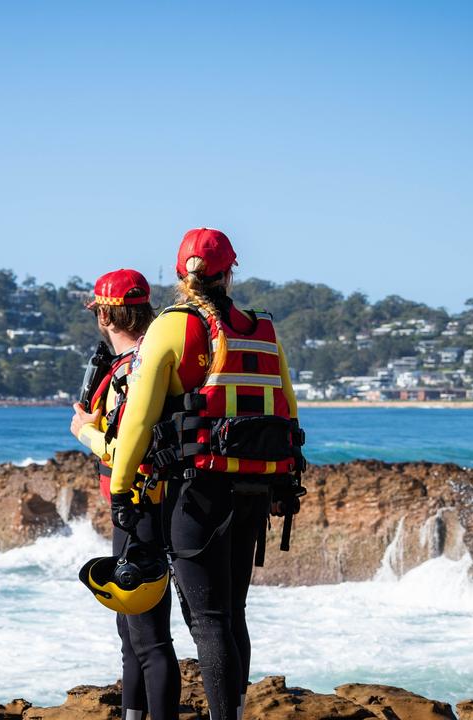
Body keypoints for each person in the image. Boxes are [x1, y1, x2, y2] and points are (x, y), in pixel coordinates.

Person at [108, 229, 304, 720]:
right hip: (254, 490)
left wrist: (120, 488)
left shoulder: (174, 326)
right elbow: (288, 413)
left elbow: (137, 418)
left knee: (208, 620)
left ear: (179, 273)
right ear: (230, 272)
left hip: (198, 493)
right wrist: (284, 484)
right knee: (231, 615)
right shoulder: (261, 328)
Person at [70, 269, 180, 720]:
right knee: (130, 628)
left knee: (148, 635)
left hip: (139, 505)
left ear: (104, 316)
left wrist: (86, 433)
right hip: (154, 503)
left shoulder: (134, 369)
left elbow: (126, 447)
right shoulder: (149, 360)